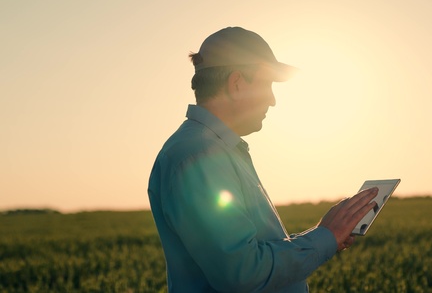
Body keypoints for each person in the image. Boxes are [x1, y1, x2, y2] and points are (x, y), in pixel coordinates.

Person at [147, 26, 378, 293]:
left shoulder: (213, 149)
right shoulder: (200, 156)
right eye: (266, 84)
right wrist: (324, 238)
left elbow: (247, 254)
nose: (272, 99)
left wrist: (326, 233)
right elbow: (243, 273)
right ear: (236, 84)